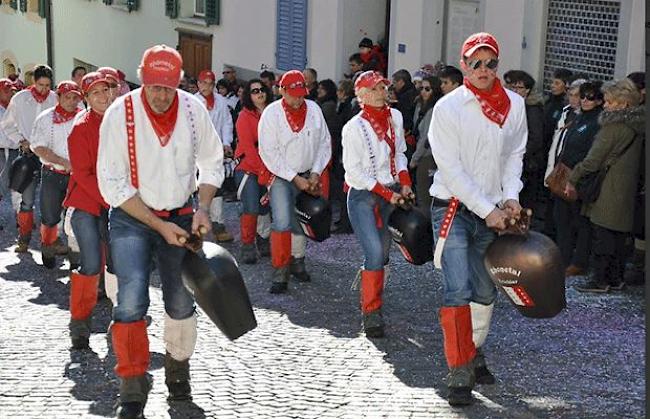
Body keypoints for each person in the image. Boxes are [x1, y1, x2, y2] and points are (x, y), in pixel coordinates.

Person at [96, 45, 224, 417]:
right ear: (142, 79)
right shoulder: (120, 113)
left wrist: (203, 207)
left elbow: (212, 160)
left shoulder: (193, 110)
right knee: (131, 300)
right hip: (132, 216)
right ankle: (132, 386)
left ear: (179, 83)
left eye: (168, 87)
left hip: (181, 214)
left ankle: (178, 378)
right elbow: (113, 184)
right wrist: (157, 224)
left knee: (181, 302)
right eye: (154, 86)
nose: (161, 95)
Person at [428, 32, 527, 406]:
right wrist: (489, 211)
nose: (484, 70)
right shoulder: (449, 108)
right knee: (458, 289)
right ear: (465, 64)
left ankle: (471, 349)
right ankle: (459, 369)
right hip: (453, 207)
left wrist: (511, 198)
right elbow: (450, 169)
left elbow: (514, 155)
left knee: (485, 291)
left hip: (495, 210)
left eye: (491, 63)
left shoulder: (514, 105)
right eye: (476, 63)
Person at [342, 70, 412, 338]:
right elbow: (354, 171)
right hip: (363, 196)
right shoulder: (353, 128)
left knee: (383, 254)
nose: (382, 92)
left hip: (391, 192)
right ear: (361, 95)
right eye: (375, 89)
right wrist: (385, 193)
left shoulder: (395, 117)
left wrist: (404, 181)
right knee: (373, 252)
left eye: (383, 87)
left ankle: (373, 293)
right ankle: (371, 313)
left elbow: (401, 154)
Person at [565, 79, 644, 292]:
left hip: (608, 189)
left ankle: (600, 280)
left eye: (610, 101)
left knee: (603, 236)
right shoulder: (639, 126)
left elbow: (593, 161)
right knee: (619, 238)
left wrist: (574, 177)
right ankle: (616, 279)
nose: (606, 105)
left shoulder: (613, 127)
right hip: (628, 190)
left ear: (623, 104)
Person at [258, 70, 331, 294]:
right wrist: (294, 178)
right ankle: (280, 270)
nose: (299, 99)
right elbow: (269, 152)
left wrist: (316, 172)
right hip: (281, 175)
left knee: (302, 218)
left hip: (308, 173)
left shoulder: (315, 110)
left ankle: (298, 260)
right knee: (281, 221)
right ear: (282, 91)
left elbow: (324, 143)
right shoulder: (271, 114)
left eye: (302, 94)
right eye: (294, 95)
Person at [64, 72, 117, 350]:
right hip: (87, 203)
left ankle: (123, 320)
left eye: (105, 90)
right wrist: (108, 199)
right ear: (86, 99)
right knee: (91, 264)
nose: (102, 97)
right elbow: (82, 174)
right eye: (95, 93)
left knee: (118, 264)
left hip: (116, 203)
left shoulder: (121, 123)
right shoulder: (81, 127)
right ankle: (79, 324)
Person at [0, 65, 58, 253]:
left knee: (50, 201)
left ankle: (49, 241)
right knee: (26, 200)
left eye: (48, 85)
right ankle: (24, 238)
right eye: (41, 85)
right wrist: (20, 140)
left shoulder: (54, 99)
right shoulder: (20, 99)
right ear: (34, 81)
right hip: (28, 156)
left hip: (49, 157)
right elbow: (7, 125)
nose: (44, 89)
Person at [29, 81, 83, 268]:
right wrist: (65, 163)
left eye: (75, 97)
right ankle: (48, 251)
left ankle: (76, 258)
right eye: (67, 96)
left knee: (76, 217)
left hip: (77, 178)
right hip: (52, 174)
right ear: (58, 97)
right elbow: (38, 147)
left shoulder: (83, 117)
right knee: (50, 216)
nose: (71, 101)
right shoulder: (45, 118)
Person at [554, 81, 603, 277]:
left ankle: (579, 262)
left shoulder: (597, 122)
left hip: (580, 177)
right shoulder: (579, 117)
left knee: (580, 222)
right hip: (564, 173)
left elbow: (591, 154)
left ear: (599, 100)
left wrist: (575, 177)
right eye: (583, 96)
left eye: (590, 97)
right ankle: (562, 258)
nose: (584, 100)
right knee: (561, 218)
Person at [234, 79, 273, 264]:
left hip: (271, 169)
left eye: (262, 89)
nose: (259, 93)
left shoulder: (274, 113)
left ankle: (263, 239)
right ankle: (247, 245)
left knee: (265, 208)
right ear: (248, 96)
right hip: (249, 169)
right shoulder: (244, 116)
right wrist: (263, 172)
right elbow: (248, 149)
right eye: (254, 90)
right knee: (251, 207)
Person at [195, 70, 235, 242]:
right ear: (198, 84)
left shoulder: (221, 101)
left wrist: (227, 142)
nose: (206, 87)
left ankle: (218, 223)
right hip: (196, 152)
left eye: (210, 83)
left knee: (216, 185)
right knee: (195, 187)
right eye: (203, 83)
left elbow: (227, 122)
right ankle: (196, 224)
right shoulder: (193, 101)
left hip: (215, 150)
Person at [543, 78, 586, 238]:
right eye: (571, 95)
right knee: (554, 214)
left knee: (568, 219)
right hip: (555, 168)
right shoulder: (565, 112)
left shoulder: (584, 118)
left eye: (577, 95)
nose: (573, 99)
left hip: (569, 173)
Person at [503, 70, 545, 218]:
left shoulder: (532, 109)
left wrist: (517, 153)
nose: (514, 91)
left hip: (527, 165)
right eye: (512, 87)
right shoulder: (511, 105)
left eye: (519, 87)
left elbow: (536, 138)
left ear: (527, 90)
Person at [409, 75, 442, 211]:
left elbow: (427, 138)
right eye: (421, 88)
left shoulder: (434, 109)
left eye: (427, 89)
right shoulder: (419, 105)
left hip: (428, 155)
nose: (423, 91)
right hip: (420, 150)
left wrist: (415, 158)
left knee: (424, 195)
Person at [331, 79, 355, 234]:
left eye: (340, 91)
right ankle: (343, 219)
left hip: (344, 151)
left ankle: (346, 222)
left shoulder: (347, 108)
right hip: (341, 149)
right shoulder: (343, 106)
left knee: (344, 190)